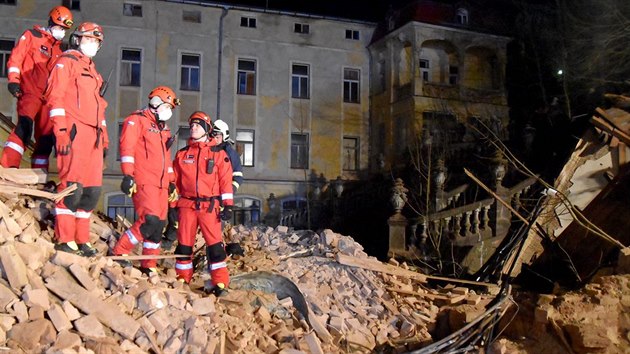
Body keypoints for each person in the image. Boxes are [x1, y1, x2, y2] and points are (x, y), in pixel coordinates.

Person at [44, 22, 108, 256]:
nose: (92, 45)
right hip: (74, 132)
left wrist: (105, 140)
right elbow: (55, 98)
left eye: (96, 42)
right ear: (77, 40)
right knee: (72, 189)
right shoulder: (66, 63)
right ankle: (65, 238)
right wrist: (60, 131)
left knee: (91, 193)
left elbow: (100, 107)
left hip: (94, 137)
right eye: (88, 40)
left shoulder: (93, 71)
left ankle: (82, 239)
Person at [111, 86, 180, 275]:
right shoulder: (136, 121)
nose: (169, 112)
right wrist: (128, 175)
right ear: (156, 102)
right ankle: (120, 251)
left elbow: (167, 158)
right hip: (144, 180)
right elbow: (127, 149)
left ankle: (148, 264)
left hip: (161, 184)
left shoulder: (163, 129)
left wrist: (172, 181)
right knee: (148, 221)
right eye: (168, 106)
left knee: (158, 226)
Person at [1, 6, 74, 170]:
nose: (61, 31)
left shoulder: (59, 51)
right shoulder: (32, 36)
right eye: (59, 27)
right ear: (51, 22)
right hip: (30, 92)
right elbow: (16, 58)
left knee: (46, 141)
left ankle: (39, 176)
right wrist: (14, 80)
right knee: (24, 129)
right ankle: (8, 167)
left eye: (64, 29)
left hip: (48, 100)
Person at [173, 111, 234, 296]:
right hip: (186, 205)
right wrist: (172, 207)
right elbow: (174, 183)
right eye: (191, 125)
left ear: (206, 130)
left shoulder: (218, 154)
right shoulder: (182, 154)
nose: (193, 128)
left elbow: (226, 181)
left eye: (197, 125)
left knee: (215, 246)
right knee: (184, 245)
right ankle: (182, 278)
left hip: (209, 206)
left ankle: (221, 282)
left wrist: (228, 205)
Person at [212, 119, 244, 194]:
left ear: (224, 136)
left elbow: (238, 176)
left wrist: (231, 190)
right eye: (212, 135)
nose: (214, 138)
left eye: (217, 136)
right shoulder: (206, 150)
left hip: (222, 195)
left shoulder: (231, 155)